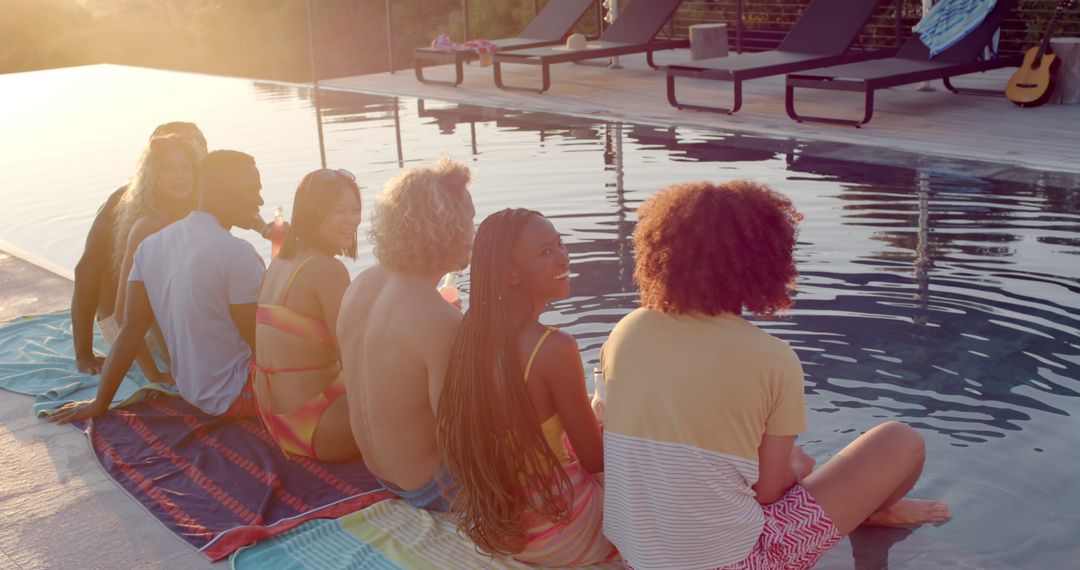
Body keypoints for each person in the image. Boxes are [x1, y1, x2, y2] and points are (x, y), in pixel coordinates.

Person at [600, 180, 951, 570]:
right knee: (900, 441)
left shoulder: (626, 332)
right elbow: (768, 493)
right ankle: (870, 512)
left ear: (659, 253)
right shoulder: (772, 358)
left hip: (639, 558)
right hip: (740, 562)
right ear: (766, 262)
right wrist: (798, 467)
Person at [437, 209, 617, 566]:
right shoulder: (553, 348)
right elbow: (595, 458)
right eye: (546, 251)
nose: (563, 257)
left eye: (560, 245)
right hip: (563, 527)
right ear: (510, 273)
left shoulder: (472, 336)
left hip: (503, 527)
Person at [49, 150, 267, 424]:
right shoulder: (237, 253)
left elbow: (129, 329)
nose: (260, 200)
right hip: (238, 393)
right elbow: (265, 344)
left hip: (193, 390)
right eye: (252, 191)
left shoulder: (152, 245)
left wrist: (100, 402)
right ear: (223, 192)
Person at [338, 158, 475, 510]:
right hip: (433, 487)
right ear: (447, 227)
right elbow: (461, 438)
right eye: (469, 221)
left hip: (380, 472)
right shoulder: (439, 320)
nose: (472, 234)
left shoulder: (361, 285)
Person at [71, 122, 207, 375]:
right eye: (169, 164)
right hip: (128, 323)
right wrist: (84, 354)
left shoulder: (199, 199)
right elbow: (86, 271)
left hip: (165, 312)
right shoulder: (127, 203)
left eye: (189, 157)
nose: (180, 172)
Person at [253, 168, 363, 462]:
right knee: (416, 390)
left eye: (355, 209)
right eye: (339, 211)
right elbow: (355, 359)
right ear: (313, 213)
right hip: (318, 427)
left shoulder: (281, 261)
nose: (352, 219)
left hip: (276, 422)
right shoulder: (327, 269)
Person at [107, 135, 202, 382]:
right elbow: (122, 315)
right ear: (153, 177)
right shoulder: (147, 227)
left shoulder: (199, 217)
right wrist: (153, 374)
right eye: (169, 169)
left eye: (185, 168)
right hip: (175, 345)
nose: (179, 176)